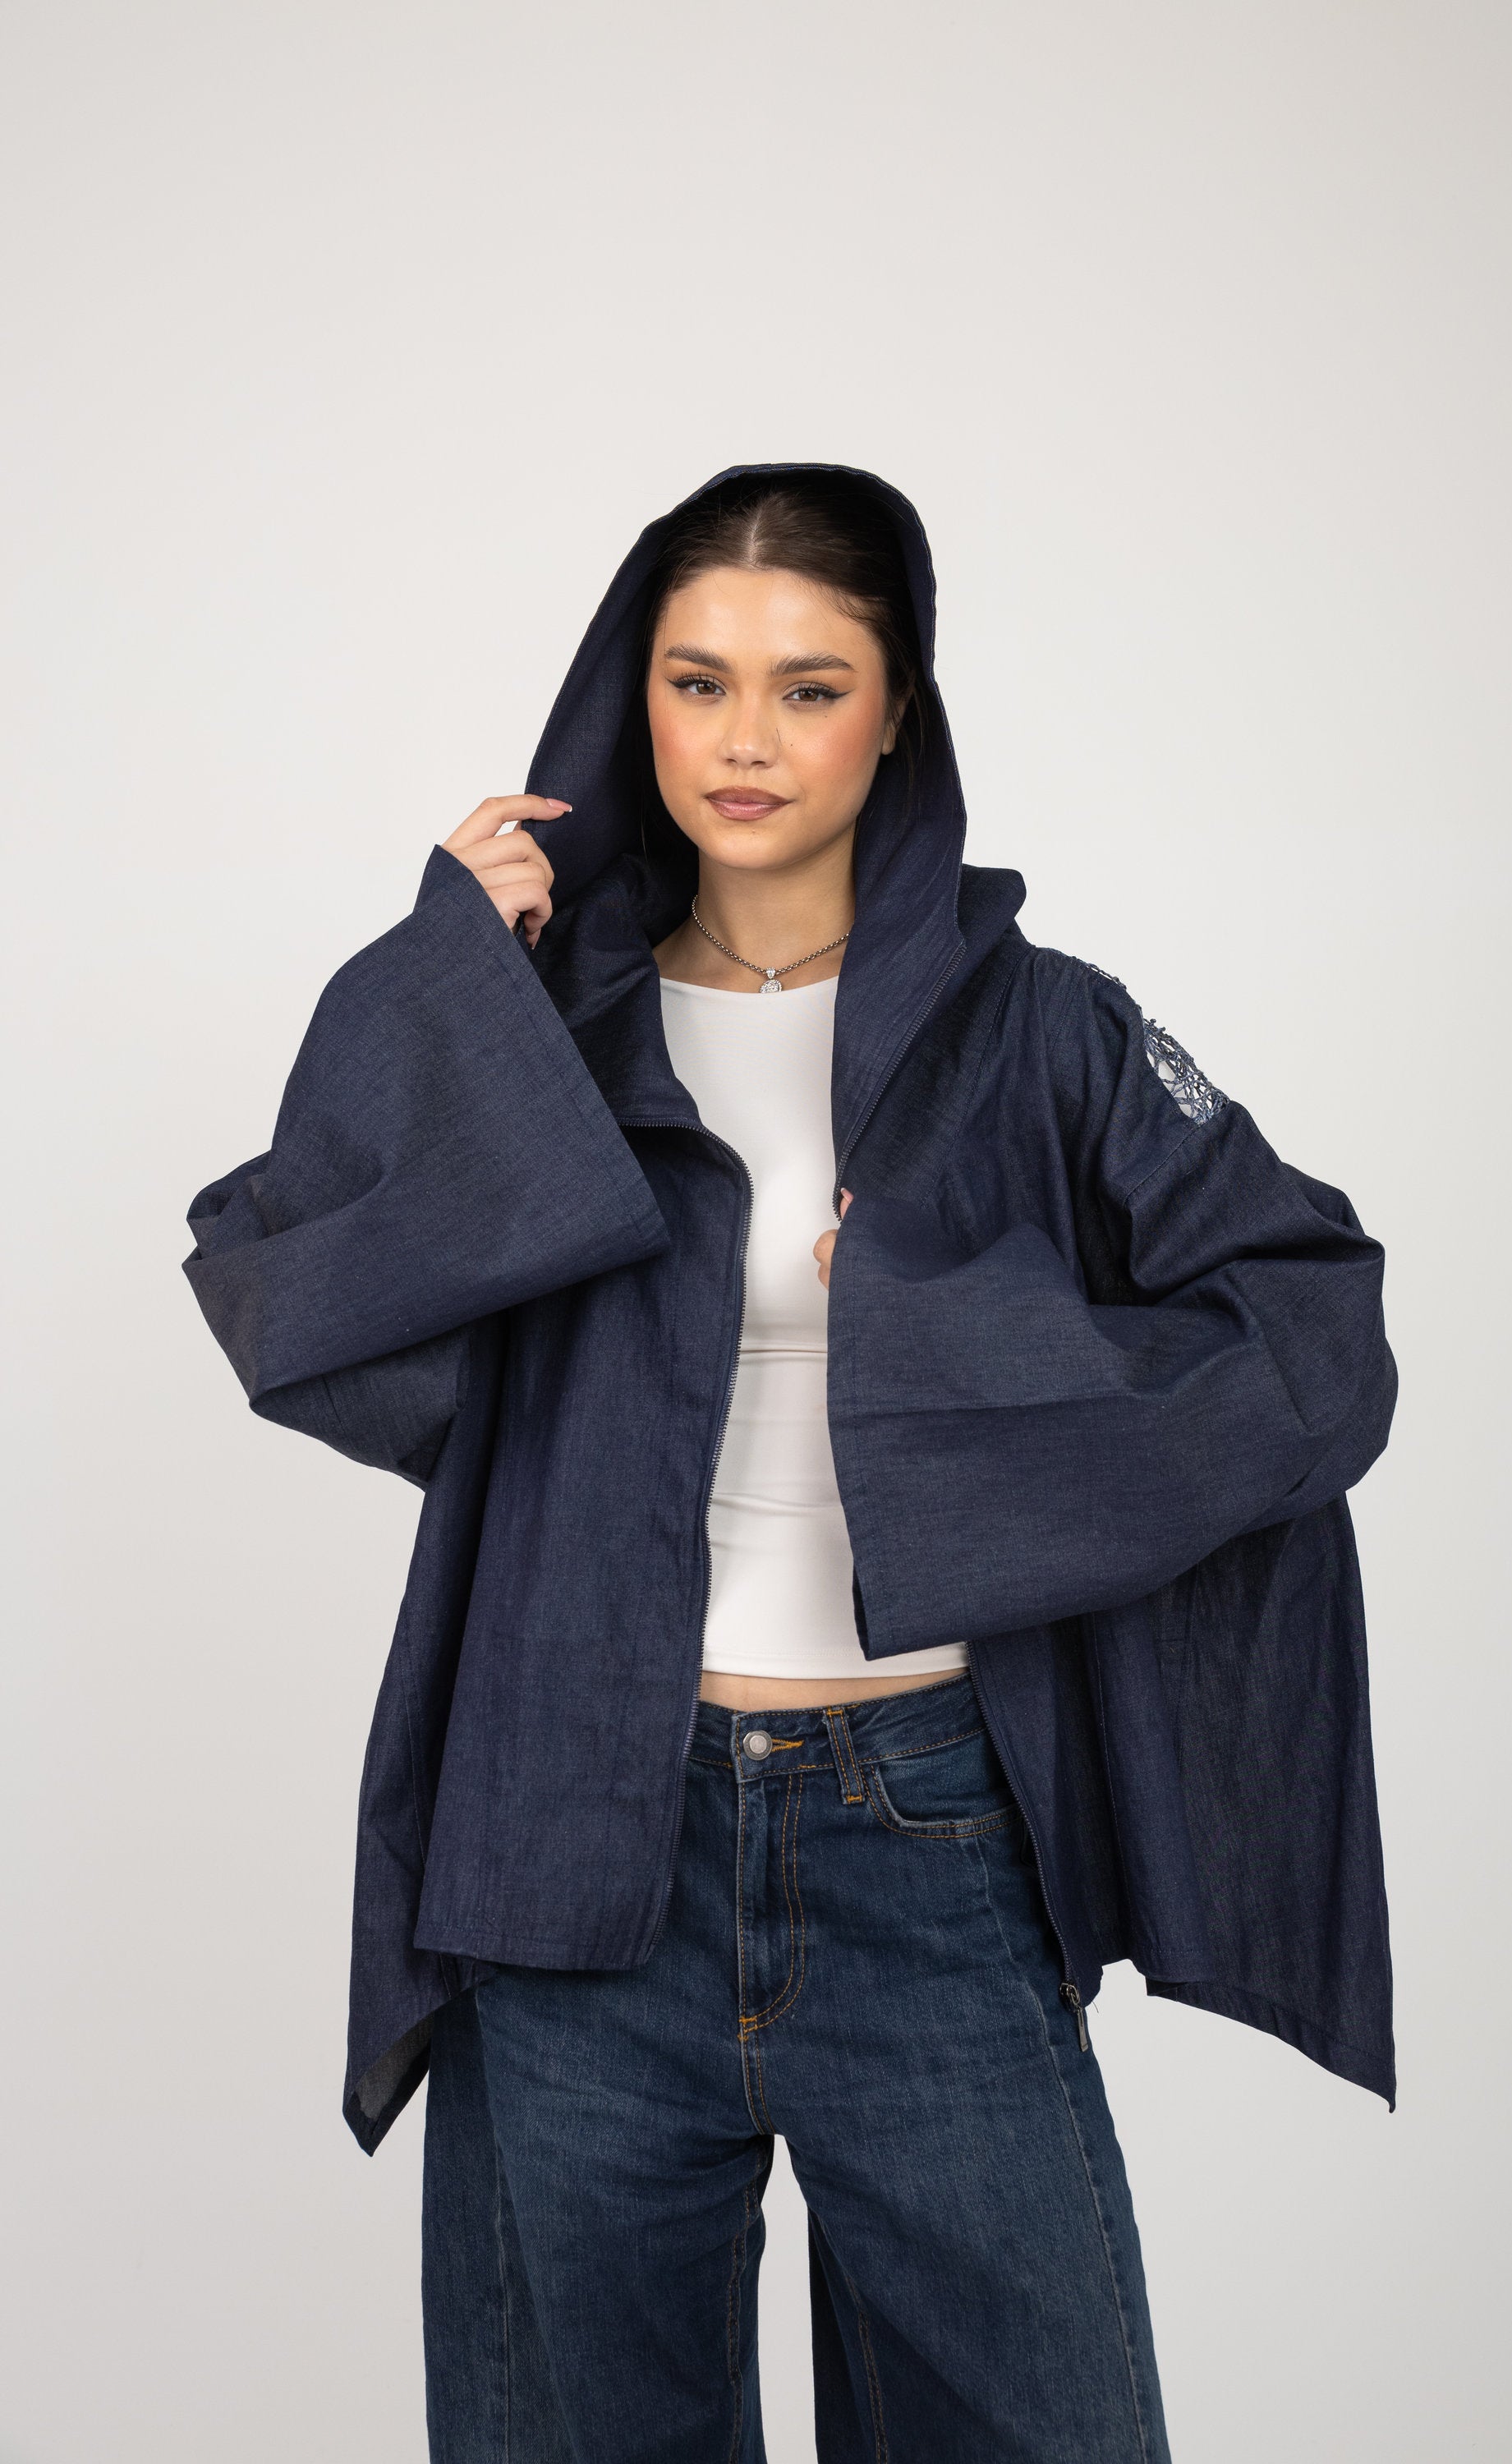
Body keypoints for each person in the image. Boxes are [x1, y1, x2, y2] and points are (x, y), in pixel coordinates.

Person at [184, 464, 1396, 2462]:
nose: (743, 740)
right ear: (634, 702)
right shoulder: (546, 1038)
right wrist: (441, 981)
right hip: (574, 1832)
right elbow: (291, 1290)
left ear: (897, 710)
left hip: (926, 1828)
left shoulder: (1043, 1037)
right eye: (698, 682)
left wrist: (965, 1338)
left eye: (809, 687)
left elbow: (1316, 1339)